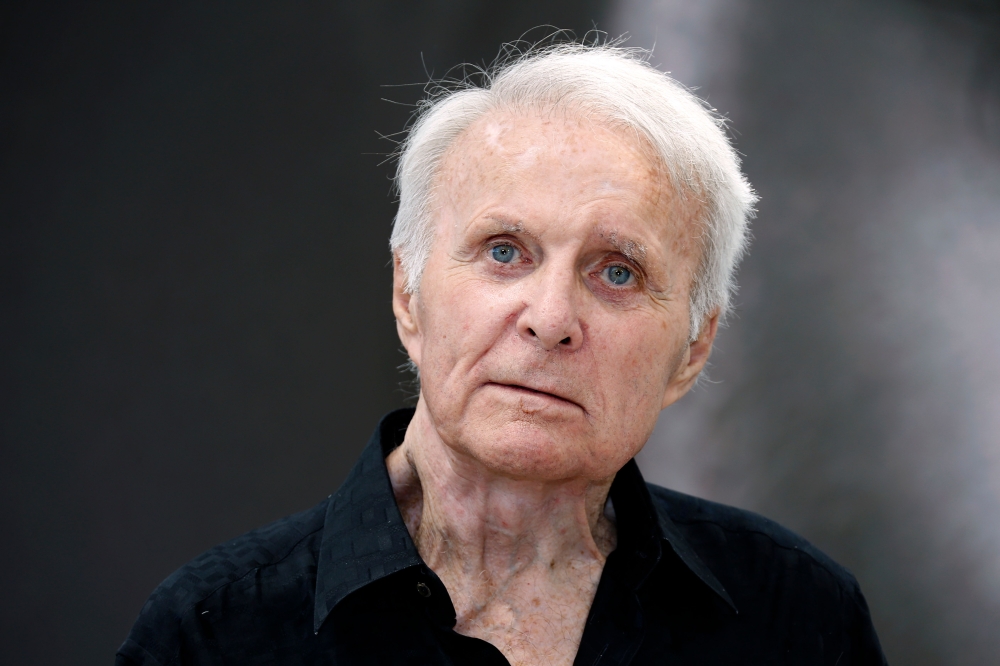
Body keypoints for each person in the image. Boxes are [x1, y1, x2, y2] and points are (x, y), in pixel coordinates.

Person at [117, 42, 887, 665]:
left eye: (617, 272)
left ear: (694, 349)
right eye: (504, 251)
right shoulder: (214, 634)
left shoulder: (798, 617)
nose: (550, 320)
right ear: (408, 294)